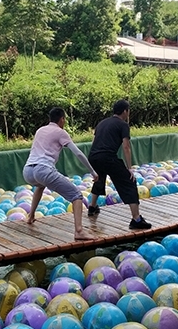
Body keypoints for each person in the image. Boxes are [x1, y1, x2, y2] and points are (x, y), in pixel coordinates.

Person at [23, 107, 98, 241]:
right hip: (43, 169)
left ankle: (31, 216)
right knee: (77, 196)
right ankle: (79, 231)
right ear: (62, 119)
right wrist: (92, 171)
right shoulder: (60, 132)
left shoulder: (40, 130)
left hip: (28, 171)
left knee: (40, 186)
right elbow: (78, 153)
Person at [87, 99, 152, 230]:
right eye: (128, 111)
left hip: (93, 156)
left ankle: (92, 207)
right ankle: (136, 219)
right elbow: (126, 146)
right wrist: (129, 168)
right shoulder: (123, 125)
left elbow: (94, 142)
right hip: (107, 157)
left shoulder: (102, 123)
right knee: (129, 181)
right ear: (125, 111)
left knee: (100, 178)